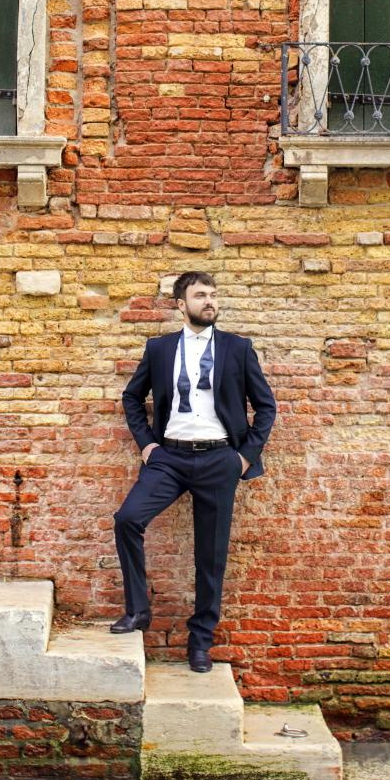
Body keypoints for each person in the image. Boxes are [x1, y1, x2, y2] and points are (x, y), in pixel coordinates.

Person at [110, 271, 277, 673]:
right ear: (181, 304)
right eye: (200, 295)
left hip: (220, 459)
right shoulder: (160, 349)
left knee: (210, 556)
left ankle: (199, 643)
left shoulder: (238, 348)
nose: (210, 302)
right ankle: (138, 611)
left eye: (214, 295)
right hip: (168, 457)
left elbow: (266, 406)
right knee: (127, 519)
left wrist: (243, 457)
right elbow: (132, 396)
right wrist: (147, 445)